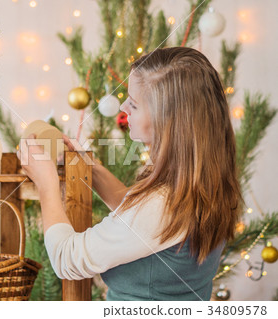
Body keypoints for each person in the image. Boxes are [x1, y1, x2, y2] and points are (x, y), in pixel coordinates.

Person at [17, 47, 243, 301]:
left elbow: (67, 259)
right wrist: (89, 168)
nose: (123, 106)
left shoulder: (160, 206)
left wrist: (46, 183)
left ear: (165, 120)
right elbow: (138, 217)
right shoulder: (203, 183)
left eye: (133, 103)